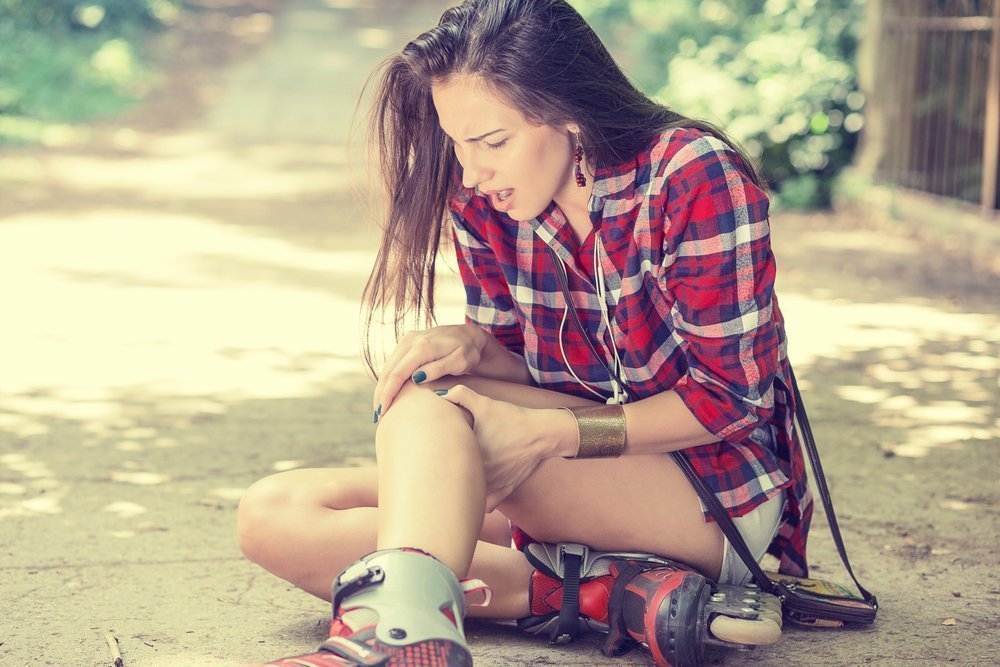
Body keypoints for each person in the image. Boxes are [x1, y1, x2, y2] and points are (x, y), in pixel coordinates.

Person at [237, 1, 812, 665]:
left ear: (567, 113)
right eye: (457, 141)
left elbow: (731, 400)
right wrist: (483, 349)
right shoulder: (483, 199)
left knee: (439, 404)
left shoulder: (689, 175)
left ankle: (400, 636)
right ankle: (607, 590)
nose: (472, 170)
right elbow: (546, 371)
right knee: (276, 513)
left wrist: (555, 433)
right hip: (579, 488)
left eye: (493, 141)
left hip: (711, 495)